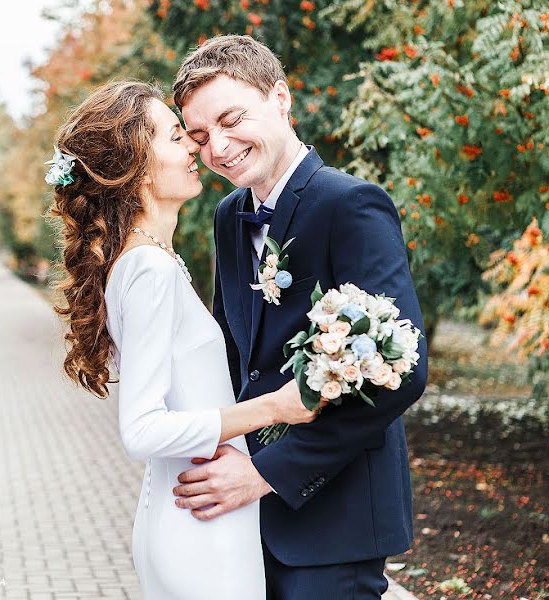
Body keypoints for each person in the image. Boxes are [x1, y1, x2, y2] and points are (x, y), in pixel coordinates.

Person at [170, 35, 429, 599]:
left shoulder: (351, 205)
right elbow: (237, 355)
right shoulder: (228, 216)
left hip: (335, 519)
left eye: (231, 118)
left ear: (281, 99)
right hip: (246, 517)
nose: (218, 146)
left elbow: (402, 371)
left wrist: (266, 473)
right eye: (199, 136)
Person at [49, 81, 326, 599]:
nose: (197, 149)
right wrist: (277, 408)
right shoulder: (149, 269)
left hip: (201, 513)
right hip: (200, 529)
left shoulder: (150, 260)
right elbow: (142, 430)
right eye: (178, 137)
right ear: (136, 165)